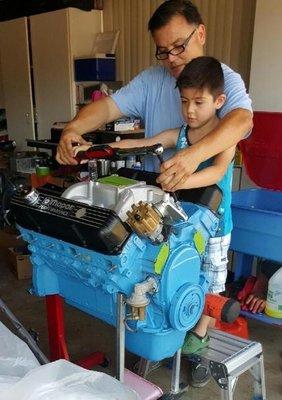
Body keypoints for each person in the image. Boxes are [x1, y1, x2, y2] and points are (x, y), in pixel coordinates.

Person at [74, 55, 235, 359]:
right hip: (182, 219)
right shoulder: (182, 134)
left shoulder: (225, 135)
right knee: (171, 272)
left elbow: (216, 173)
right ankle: (169, 322)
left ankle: (199, 335)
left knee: (211, 280)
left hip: (214, 224)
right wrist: (96, 149)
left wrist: (180, 181)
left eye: (198, 102)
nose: (189, 110)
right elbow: (145, 143)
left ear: (219, 100)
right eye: (184, 101)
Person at [56, 0, 253, 191]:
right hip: (157, 203)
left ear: (200, 34)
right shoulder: (151, 80)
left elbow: (242, 121)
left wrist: (193, 156)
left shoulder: (223, 78)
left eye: (178, 46)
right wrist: (73, 130)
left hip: (205, 213)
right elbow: (107, 108)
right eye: (163, 51)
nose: (172, 58)